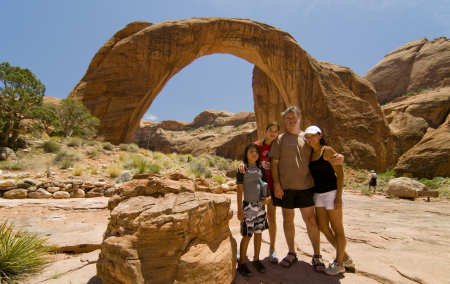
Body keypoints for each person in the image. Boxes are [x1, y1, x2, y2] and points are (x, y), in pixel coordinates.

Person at [268, 106, 344, 272]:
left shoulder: (308, 137)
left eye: (293, 117)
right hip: (285, 188)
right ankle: (291, 253)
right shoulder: (280, 139)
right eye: (287, 118)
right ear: (285, 121)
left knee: (311, 221)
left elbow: (325, 152)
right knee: (288, 219)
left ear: (299, 117)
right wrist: (277, 185)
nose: (291, 120)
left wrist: (340, 157)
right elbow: (274, 162)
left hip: (307, 187)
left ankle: (317, 255)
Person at [305, 125, 355, 275]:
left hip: (332, 194)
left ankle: (339, 263)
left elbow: (340, 175)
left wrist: (339, 197)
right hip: (318, 195)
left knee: (337, 228)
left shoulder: (327, 151)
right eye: (307, 137)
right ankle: (345, 257)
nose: (310, 139)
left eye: (313, 136)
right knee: (323, 227)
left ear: (320, 135)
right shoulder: (310, 154)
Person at [238, 122, 280, 263]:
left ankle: (272, 249)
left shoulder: (278, 145)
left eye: (275, 131)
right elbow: (247, 156)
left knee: (271, 218)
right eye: (270, 130)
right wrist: (242, 163)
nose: (272, 133)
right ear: (265, 131)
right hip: (255, 190)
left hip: (271, 186)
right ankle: (242, 251)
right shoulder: (257, 145)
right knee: (249, 224)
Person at [236, 143, 272, 277]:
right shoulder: (242, 169)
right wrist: (240, 210)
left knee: (258, 232)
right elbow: (239, 191)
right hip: (248, 206)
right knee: (247, 235)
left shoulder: (260, 169)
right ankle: (242, 263)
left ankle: (256, 260)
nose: (254, 154)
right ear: (246, 154)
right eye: (251, 151)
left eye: (256, 152)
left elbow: (265, 186)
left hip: (260, 207)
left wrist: (268, 198)